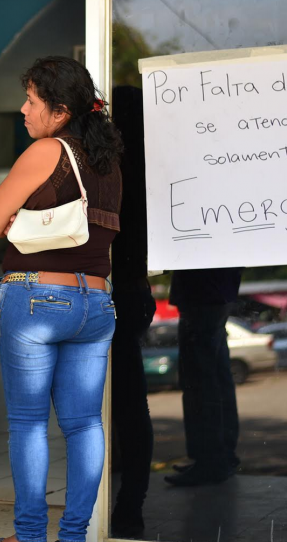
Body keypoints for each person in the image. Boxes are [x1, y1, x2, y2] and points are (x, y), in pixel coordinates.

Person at [0, 55, 123, 542]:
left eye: (31, 100)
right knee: (84, 424)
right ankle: (75, 535)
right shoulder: (107, 163)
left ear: (60, 111)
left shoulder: (48, 152)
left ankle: (29, 535)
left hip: (39, 299)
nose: (23, 110)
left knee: (27, 423)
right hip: (97, 306)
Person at [108, 85, 155, 540]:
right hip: (133, 289)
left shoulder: (107, 164)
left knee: (95, 406)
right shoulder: (154, 167)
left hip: (107, 290)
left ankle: (115, 505)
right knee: (129, 404)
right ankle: (129, 505)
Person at [164, 268, 244, 487]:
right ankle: (219, 457)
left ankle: (210, 460)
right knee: (214, 376)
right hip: (215, 292)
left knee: (200, 380)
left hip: (202, 292)